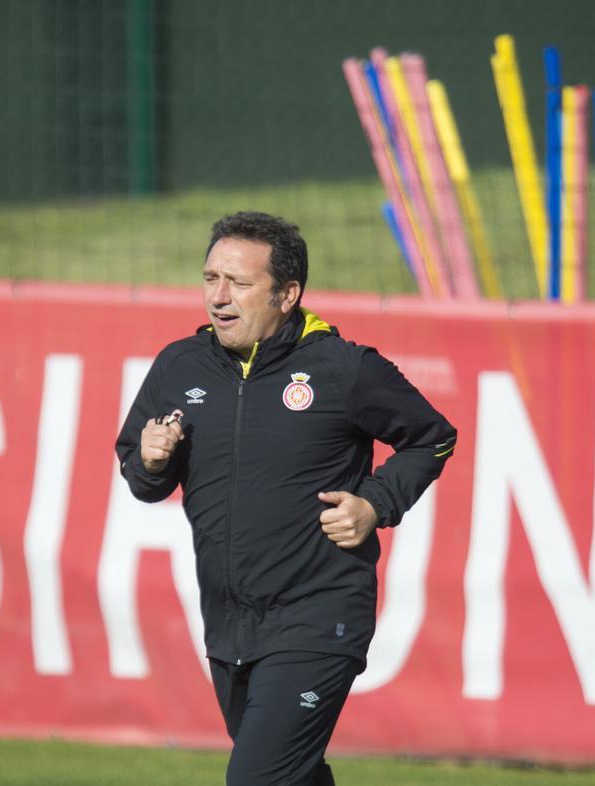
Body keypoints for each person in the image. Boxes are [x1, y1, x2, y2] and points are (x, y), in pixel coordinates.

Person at [115, 211, 456, 785]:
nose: (219, 297)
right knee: (292, 777)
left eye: (239, 283)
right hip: (228, 624)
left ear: (286, 294)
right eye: (210, 279)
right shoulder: (181, 365)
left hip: (319, 616)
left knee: (255, 780)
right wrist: (149, 459)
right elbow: (145, 480)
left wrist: (374, 504)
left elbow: (433, 437)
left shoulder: (343, 368)